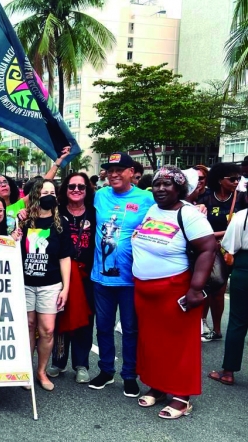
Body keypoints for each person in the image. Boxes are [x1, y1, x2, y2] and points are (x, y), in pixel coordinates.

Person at [132, 166, 216, 419]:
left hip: (176, 291)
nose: (160, 189)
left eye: (167, 184)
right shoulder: (152, 210)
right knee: (153, 343)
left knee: (180, 346)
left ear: (180, 188)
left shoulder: (190, 215)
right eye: (157, 184)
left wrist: (195, 289)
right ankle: (157, 386)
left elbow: (207, 250)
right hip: (145, 291)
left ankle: (182, 396)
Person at [89, 152, 154, 398]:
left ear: (131, 172)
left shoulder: (146, 198)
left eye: (120, 169)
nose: (113, 174)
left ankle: (129, 375)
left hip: (130, 279)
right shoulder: (100, 196)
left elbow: (170, 211)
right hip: (101, 278)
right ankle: (106, 371)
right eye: (110, 170)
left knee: (130, 329)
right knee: (103, 327)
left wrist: (195, 205)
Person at [20, 179, 72, 391]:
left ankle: (41, 371)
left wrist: (65, 288)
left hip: (50, 285)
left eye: (51, 191)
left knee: (48, 329)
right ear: (35, 195)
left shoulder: (61, 223)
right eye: (43, 192)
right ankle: (25, 369)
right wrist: (18, 219)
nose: (48, 195)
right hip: (25, 284)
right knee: (28, 327)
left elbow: (65, 258)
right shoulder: (23, 220)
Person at [48, 173, 96, 384]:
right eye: (71, 186)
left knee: (84, 320)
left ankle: (81, 364)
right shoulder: (54, 213)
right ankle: (58, 362)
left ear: (87, 190)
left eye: (81, 187)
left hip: (87, 275)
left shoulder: (96, 213)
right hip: (60, 274)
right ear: (65, 189)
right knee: (58, 317)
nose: (76, 190)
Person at [197, 162, 248, 342]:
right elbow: (199, 229)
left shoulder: (243, 198)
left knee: (220, 293)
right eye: (232, 178)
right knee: (211, 288)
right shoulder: (206, 200)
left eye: (239, 178)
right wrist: (224, 233)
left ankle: (217, 329)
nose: (236, 182)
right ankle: (203, 324)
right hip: (211, 249)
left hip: (236, 251)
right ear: (219, 180)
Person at [209, 206, 248, 386]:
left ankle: (228, 372)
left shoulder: (242, 215)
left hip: (244, 267)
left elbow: (229, 246)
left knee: (237, 321)